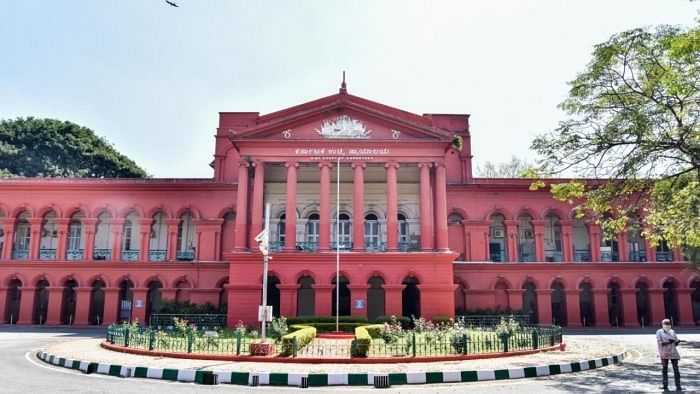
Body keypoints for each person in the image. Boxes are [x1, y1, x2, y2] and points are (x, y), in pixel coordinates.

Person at [656, 319, 682, 392]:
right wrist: (668, 342)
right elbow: (660, 342)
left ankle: (678, 385)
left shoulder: (672, 331)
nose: (667, 326)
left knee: (676, 369)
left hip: (673, 352)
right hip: (664, 352)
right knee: (664, 369)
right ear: (662, 325)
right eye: (666, 324)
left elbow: (675, 342)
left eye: (668, 324)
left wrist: (677, 342)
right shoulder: (659, 332)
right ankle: (665, 385)